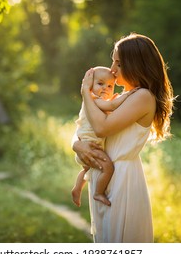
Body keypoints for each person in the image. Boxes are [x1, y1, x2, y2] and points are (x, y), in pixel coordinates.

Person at [72, 33, 175, 243]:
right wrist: (76, 144)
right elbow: (86, 125)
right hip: (104, 173)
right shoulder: (117, 98)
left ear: (136, 64)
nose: (112, 69)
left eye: (118, 63)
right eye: (113, 62)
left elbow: (101, 128)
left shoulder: (143, 97)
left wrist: (85, 91)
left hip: (122, 179)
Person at [71, 66, 138, 207]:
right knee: (108, 168)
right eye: (100, 84)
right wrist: (128, 94)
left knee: (86, 169)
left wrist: (115, 99)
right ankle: (98, 193)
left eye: (110, 86)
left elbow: (111, 104)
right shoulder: (93, 99)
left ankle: (77, 188)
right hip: (90, 146)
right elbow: (112, 105)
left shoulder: (98, 101)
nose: (105, 89)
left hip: (86, 144)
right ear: (90, 85)